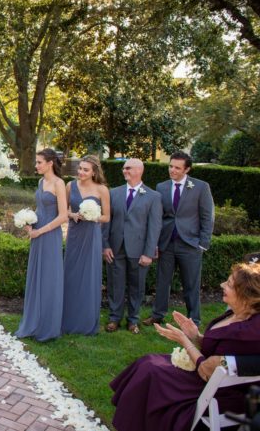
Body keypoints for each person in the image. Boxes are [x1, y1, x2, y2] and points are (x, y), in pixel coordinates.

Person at [110, 263, 260, 431]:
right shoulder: (235, 313)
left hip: (213, 389)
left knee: (151, 371)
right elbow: (215, 348)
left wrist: (185, 341)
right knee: (148, 362)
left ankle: (134, 422)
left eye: (229, 284)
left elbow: (207, 369)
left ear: (246, 296)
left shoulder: (247, 333)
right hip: (204, 375)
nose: (222, 285)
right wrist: (195, 336)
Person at [144, 151, 215, 326]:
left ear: (187, 169)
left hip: (190, 244)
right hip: (167, 243)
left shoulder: (201, 187)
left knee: (191, 285)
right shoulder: (162, 187)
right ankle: (157, 315)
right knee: (162, 282)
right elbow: (158, 217)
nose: (172, 170)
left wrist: (203, 244)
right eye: (171, 166)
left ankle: (194, 320)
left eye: (177, 167)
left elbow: (208, 216)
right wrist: (154, 243)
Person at [102, 158, 162, 334]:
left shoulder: (153, 196)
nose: (124, 171)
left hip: (139, 250)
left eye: (128, 168)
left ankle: (133, 320)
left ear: (139, 170)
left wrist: (148, 252)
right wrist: (105, 245)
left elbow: (155, 226)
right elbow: (106, 222)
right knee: (115, 285)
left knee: (137, 286)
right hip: (115, 247)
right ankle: (114, 318)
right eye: (123, 168)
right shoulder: (113, 193)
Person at [16, 149, 68, 342]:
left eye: (39, 162)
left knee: (48, 278)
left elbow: (63, 216)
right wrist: (29, 223)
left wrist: (41, 230)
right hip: (37, 232)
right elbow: (40, 207)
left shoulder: (59, 183)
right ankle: (33, 321)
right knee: (36, 276)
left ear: (50, 163)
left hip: (49, 235)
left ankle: (47, 326)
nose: (36, 165)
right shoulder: (40, 182)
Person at [61, 155, 110, 335]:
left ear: (94, 172)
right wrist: (72, 215)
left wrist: (93, 216)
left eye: (85, 170)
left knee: (89, 275)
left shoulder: (102, 190)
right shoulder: (69, 186)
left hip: (92, 236)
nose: (81, 172)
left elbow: (107, 217)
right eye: (80, 168)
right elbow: (63, 210)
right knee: (71, 274)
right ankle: (67, 319)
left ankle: (86, 321)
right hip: (74, 234)